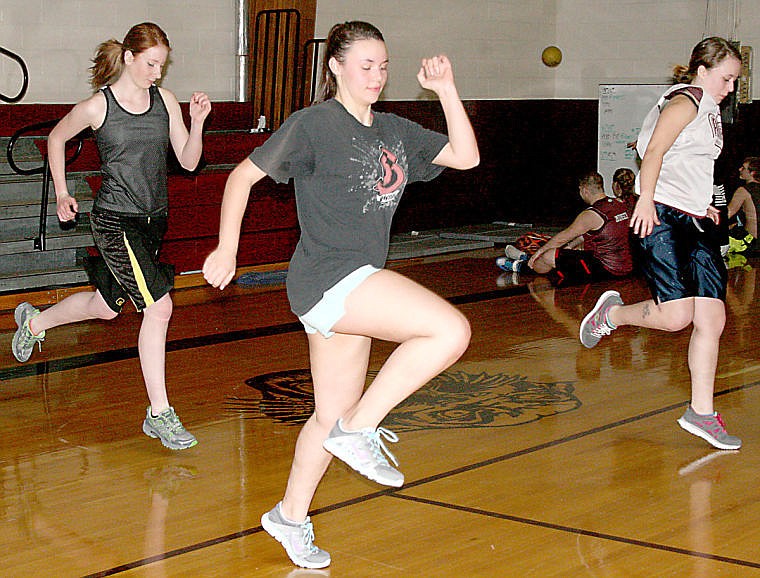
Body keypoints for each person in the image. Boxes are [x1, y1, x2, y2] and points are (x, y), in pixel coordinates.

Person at [203, 20, 478, 569]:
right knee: (450, 330)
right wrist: (226, 250)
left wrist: (446, 89)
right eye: (364, 65)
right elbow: (240, 178)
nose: (376, 76)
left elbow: (466, 157)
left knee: (327, 417)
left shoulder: (394, 130)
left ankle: (289, 516)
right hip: (330, 276)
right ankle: (361, 429)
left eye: (383, 66)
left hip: (353, 284)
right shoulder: (313, 125)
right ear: (335, 67)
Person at [11, 22, 211, 450]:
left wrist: (196, 124)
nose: (158, 73)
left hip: (153, 221)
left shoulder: (166, 101)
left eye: (163, 64)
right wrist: (63, 192)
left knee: (106, 308)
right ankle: (160, 414)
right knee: (159, 308)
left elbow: (190, 162)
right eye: (152, 63)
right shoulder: (98, 107)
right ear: (130, 57)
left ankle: (35, 321)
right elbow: (56, 138)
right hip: (114, 222)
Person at [579, 37, 742, 450]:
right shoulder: (685, 101)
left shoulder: (708, 109)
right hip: (662, 218)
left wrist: (701, 204)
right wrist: (647, 199)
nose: (730, 88)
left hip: (692, 218)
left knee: (712, 320)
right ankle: (612, 315)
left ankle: (701, 413)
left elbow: (689, 163)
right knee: (674, 318)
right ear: (703, 71)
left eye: (735, 81)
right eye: (726, 78)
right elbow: (652, 153)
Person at [497, 171, 634, 286]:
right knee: (568, 251)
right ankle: (526, 257)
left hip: (606, 269)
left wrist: (539, 252)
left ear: (584, 190)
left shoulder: (592, 214)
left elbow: (562, 238)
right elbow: (587, 236)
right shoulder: (618, 204)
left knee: (549, 255)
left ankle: (522, 266)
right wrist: (569, 247)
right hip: (624, 265)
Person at [726, 156, 760, 251]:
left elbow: (727, 214)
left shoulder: (743, 191)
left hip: (752, 244)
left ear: (752, 173)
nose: (739, 169)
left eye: (743, 168)